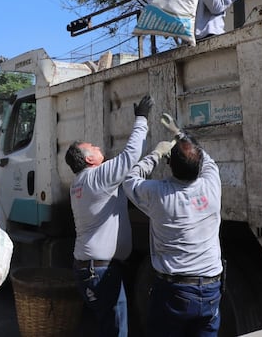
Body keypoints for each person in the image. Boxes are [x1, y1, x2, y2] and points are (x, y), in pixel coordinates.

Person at [64, 94, 154, 337]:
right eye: (93, 147)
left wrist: (154, 157)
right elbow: (130, 156)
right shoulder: (98, 177)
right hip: (100, 271)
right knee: (115, 330)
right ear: (89, 159)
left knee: (108, 326)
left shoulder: (79, 183)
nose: (98, 147)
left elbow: (130, 170)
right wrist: (141, 119)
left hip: (90, 269)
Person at [123, 136, 223, 337]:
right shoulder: (212, 185)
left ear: (169, 164)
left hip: (175, 291)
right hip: (211, 289)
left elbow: (130, 180)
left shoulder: (158, 193)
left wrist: (156, 154)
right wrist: (182, 134)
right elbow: (207, 160)